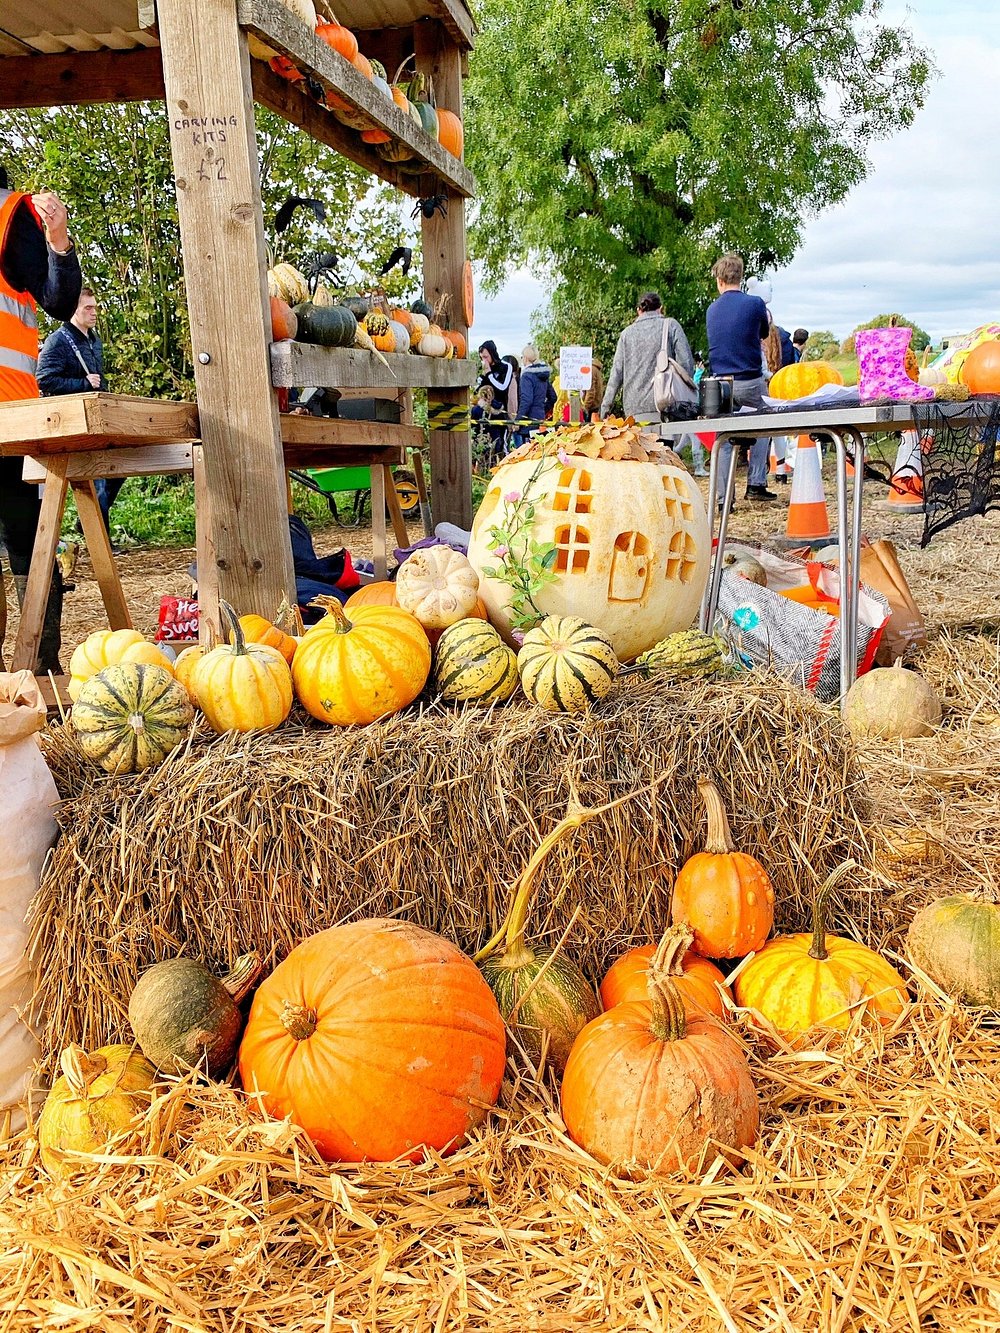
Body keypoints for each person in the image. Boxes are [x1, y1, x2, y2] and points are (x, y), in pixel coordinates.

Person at [0, 168, 82, 672]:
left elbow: (59, 300)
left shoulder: (9, 216)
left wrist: (58, 240)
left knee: (27, 544)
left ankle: (39, 674)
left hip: (5, 422)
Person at [36, 287, 122, 532]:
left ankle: (88, 525)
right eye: (88, 308)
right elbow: (45, 380)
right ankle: (98, 534)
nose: (94, 312)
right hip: (72, 420)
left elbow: (98, 378)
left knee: (117, 471)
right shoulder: (58, 341)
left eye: (95, 307)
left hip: (97, 417)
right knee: (100, 477)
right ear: (74, 310)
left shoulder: (94, 340)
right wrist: (83, 384)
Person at [706, 254, 775, 505]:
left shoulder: (711, 310)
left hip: (721, 383)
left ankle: (725, 499)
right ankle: (756, 482)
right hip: (750, 378)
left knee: (723, 441)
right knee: (766, 426)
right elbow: (764, 332)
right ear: (740, 277)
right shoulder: (755, 304)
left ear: (719, 280)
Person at [600, 291, 694, 425]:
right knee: (664, 446)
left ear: (638, 310)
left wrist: (605, 408)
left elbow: (616, 375)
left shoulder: (626, 334)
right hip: (665, 405)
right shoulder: (671, 326)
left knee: (640, 445)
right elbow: (686, 363)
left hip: (634, 410)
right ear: (661, 309)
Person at [477, 340, 515, 463]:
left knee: (499, 445)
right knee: (484, 445)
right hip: (485, 411)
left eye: (486, 357)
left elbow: (502, 387)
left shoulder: (505, 367)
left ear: (492, 354)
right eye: (482, 357)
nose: (484, 360)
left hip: (499, 411)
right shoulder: (482, 368)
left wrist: (489, 375)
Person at [519, 345, 557, 434]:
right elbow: (553, 397)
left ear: (525, 358)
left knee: (527, 447)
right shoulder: (542, 375)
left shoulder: (526, 376)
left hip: (528, 420)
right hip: (540, 418)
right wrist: (542, 409)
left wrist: (518, 419)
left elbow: (527, 400)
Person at [581, 353, 604, 421]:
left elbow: (590, 391)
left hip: (592, 406)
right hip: (596, 404)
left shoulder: (590, 370)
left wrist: (585, 407)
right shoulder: (594, 368)